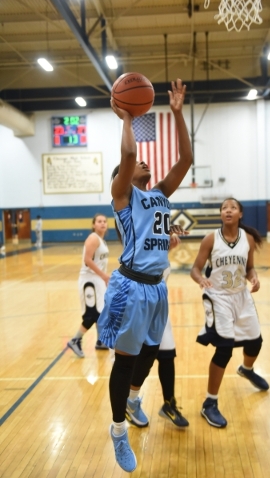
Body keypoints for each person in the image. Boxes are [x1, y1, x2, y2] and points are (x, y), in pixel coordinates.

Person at [97, 78, 192, 473]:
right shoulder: (123, 196)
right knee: (124, 361)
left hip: (157, 289)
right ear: (124, 175)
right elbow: (128, 150)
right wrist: (127, 115)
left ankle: (134, 398)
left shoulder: (159, 196)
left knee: (152, 351)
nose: (143, 162)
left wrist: (177, 113)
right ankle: (118, 430)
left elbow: (185, 160)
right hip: (130, 287)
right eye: (137, 163)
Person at [190, 197, 269, 429]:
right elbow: (195, 268)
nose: (228, 210)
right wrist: (200, 279)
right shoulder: (211, 239)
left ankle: (247, 369)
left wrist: (253, 277)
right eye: (224, 208)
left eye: (232, 207)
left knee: (256, 342)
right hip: (218, 297)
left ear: (240, 214)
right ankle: (209, 403)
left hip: (241, 296)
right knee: (224, 349)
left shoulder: (249, 240)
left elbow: (250, 267)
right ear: (221, 214)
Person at [126, 232, 189, 429]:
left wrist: (166, 247)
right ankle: (130, 401)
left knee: (168, 356)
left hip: (160, 311)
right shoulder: (138, 248)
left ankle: (169, 404)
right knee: (145, 359)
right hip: (142, 310)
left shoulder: (159, 252)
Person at [68, 214, 110, 358]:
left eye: (105, 221)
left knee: (102, 310)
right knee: (92, 313)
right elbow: (87, 260)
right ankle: (75, 340)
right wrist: (104, 276)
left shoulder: (102, 241)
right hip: (89, 280)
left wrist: (104, 277)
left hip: (97, 279)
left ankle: (100, 341)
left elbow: (100, 263)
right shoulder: (93, 238)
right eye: (99, 221)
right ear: (93, 225)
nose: (103, 223)